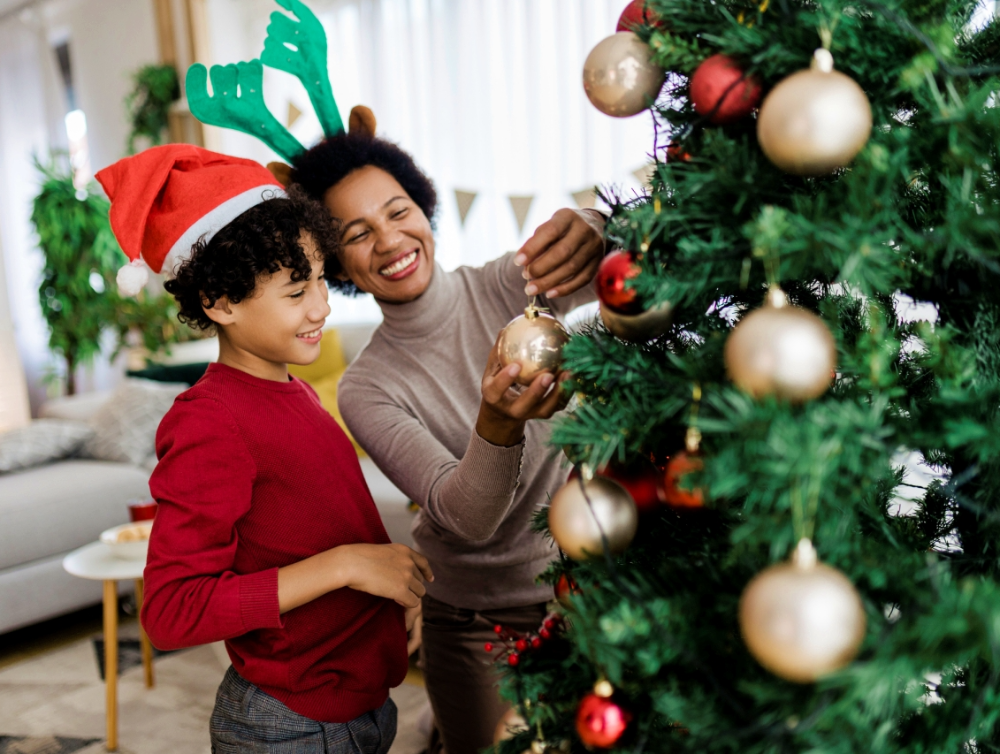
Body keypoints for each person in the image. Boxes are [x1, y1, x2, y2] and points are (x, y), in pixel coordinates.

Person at [95, 144, 433, 754]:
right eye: (296, 289)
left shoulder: (294, 390)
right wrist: (347, 566)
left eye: (319, 279)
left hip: (359, 708)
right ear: (220, 303)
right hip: (290, 726)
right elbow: (171, 611)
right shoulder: (210, 421)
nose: (322, 306)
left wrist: (389, 596)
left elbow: (314, 524)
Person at [292, 133, 606, 754]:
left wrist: (598, 227)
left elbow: (631, 266)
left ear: (424, 209)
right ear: (335, 263)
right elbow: (468, 516)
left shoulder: (507, 286)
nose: (388, 241)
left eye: (398, 211)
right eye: (355, 234)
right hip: (473, 622)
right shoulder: (366, 388)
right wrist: (496, 423)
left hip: (584, 590)